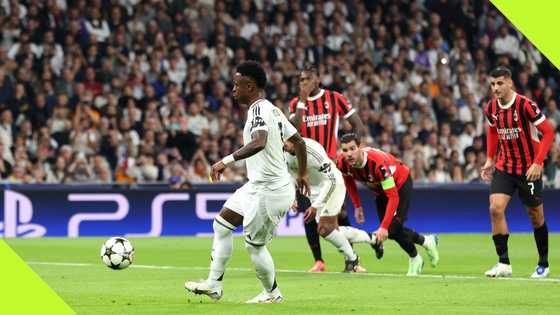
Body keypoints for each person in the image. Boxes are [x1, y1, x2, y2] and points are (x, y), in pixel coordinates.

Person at [185, 61, 309, 303]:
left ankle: (273, 295)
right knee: (222, 225)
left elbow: (259, 141)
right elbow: (300, 141)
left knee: (255, 247)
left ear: (250, 86)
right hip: (257, 186)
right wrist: (302, 173)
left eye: (236, 85)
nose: (233, 89)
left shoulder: (259, 111)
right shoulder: (272, 109)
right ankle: (213, 284)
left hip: (269, 191)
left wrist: (226, 161)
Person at [288, 63, 366, 272]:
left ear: (317, 80)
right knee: (308, 213)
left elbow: (358, 125)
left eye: (307, 79)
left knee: (339, 213)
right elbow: (292, 133)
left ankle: (353, 261)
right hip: (304, 168)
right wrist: (302, 103)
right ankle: (319, 261)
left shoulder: (335, 98)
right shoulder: (296, 103)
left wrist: (351, 149)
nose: (303, 83)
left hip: (330, 165)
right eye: (300, 80)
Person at [481, 66, 555, 278]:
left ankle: (543, 263)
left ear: (510, 83)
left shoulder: (525, 105)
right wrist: (489, 159)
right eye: (492, 84)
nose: (495, 88)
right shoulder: (491, 108)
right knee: (495, 208)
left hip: (529, 170)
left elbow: (548, 132)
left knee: (536, 216)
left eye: (500, 83)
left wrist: (538, 163)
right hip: (505, 167)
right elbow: (493, 131)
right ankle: (503, 263)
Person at [337, 133, 439, 276]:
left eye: (352, 148)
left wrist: (384, 227)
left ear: (360, 147)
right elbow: (348, 181)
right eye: (345, 150)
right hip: (380, 192)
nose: (349, 154)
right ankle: (426, 241)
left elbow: (393, 196)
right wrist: (357, 205)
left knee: (390, 229)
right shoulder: (342, 162)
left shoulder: (378, 164)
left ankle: (415, 258)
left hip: (400, 185)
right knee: (390, 232)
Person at [284, 137, 380, 272]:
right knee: (334, 231)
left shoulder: (313, 150)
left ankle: (353, 259)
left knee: (323, 229)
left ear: (296, 140)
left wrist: (315, 206)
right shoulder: (285, 153)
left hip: (333, 186)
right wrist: (292, 196)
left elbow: (331, 181)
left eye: (287, 140)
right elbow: (292, 175)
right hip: (315, 192)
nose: (284, 144)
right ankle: (373, 239)